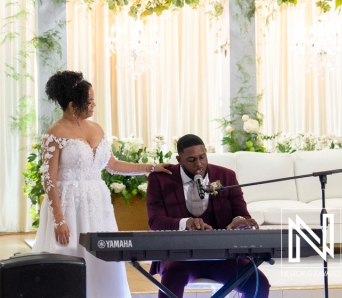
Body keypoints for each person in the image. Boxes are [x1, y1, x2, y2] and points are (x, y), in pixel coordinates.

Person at [32, 70, 172, 298]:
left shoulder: (96, 128)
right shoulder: (55, 133)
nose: (94, 105)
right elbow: (49, 180)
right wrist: (59, 220)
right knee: (70, 259)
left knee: (103, 261)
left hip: (97, 205)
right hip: (69, 206)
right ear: (71, 103)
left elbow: (113, 164)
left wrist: (150, 167)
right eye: (89, 101)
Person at [145, 134, 271, 298]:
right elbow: (155, 221)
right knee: (172, 275)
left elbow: (241, 212)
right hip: (179, 255)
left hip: (222, 255)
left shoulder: (226, 176)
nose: (199, 164)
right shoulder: (160, 179)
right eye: (191, 160)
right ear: (179, 159)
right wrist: (186, 222)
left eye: (202, 157)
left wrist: (239, 221)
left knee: (258, 283)